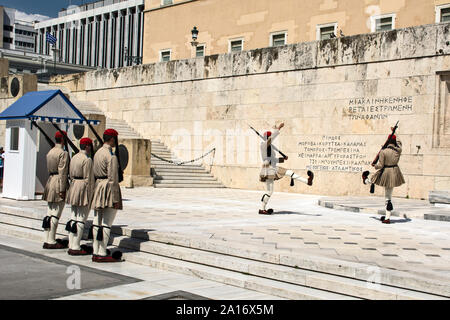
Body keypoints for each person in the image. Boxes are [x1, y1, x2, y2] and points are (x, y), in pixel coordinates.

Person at [259, 122, 314, 215]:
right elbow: (271, 140)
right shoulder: (264, 145)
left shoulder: (269, 148)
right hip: (268, 170)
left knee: (285, 176)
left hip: (272, 168)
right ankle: (262, 209)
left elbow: (273, 160)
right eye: (269, 137)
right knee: (271, 190)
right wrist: (278, 129)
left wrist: (282, 159)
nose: (270, 139)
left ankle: (307, 181)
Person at [90, 129, 123, 262]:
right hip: (107, 188)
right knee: (106, 223)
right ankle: (102, 252)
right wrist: (115, 198)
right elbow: (113, 179)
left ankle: (95, 249)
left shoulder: (97, 153)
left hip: (98, 186)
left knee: (97, 221)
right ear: (112, 139)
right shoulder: (111, 156)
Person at [362, 129, 405, 224]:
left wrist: (375, 166)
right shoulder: (398, 150)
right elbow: (399, 142)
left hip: (386, 171)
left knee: (374, 179)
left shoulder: (383, 152)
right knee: (388, 196)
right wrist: (395, 132)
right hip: (395, 172)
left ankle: (366, 180)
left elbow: (380, 165)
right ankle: (387, 217)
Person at [65, 137, 95, 255]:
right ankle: (76, 246)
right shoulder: (87, 160)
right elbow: (89, 179)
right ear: (87, 146)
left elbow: (71, 175)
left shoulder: (74, 157)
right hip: (82, 187)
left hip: (74, 186)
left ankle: (71, 243)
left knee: (73, 217)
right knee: (81, 219)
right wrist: (91, 195)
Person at [42, 131, 69, 249]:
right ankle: (52, 240)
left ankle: (47, 238)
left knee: (49, 212)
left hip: (50, 180)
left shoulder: (50, 151)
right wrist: (63, 189)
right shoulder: (63, 153)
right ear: (63, 140)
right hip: (58, 181)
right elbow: (63, 172)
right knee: (56, 214)